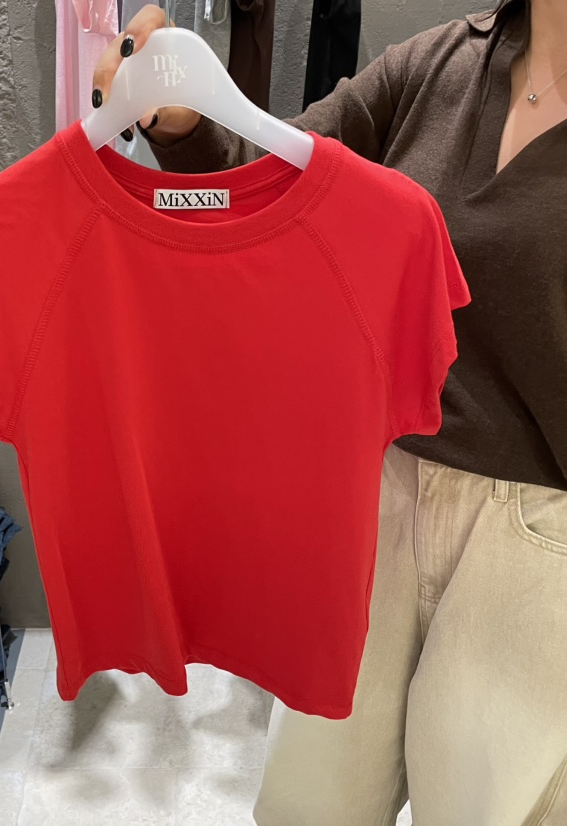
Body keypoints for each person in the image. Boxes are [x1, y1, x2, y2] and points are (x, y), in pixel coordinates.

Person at [92, 2, 567, 823]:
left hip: (540, 537)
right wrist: (182, 119)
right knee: (308, 804)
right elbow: (270, 185)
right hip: (378, 498)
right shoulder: (438, 65)